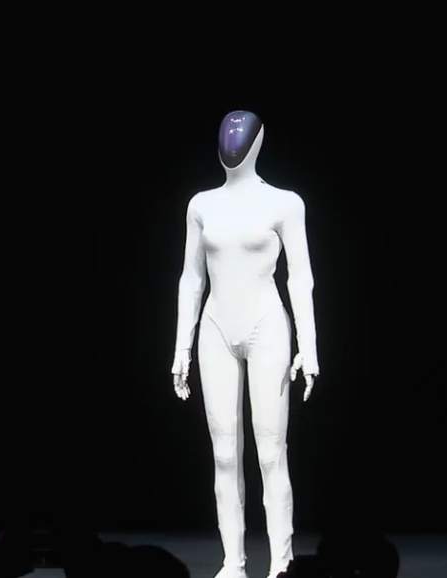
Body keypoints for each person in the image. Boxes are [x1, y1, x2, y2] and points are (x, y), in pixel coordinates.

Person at [170, 111, 320, 578]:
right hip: (216, 327)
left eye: (241, 138)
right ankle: (232, 563)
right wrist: (181, 347)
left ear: (258, 143)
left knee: (271, 453)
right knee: (224, 455)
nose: (232, 145)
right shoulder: (201, 205)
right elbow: (191, 278)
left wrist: (309, 345)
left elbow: (300, 278)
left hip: (266, 326)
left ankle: (281, 563)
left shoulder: (285, 204)